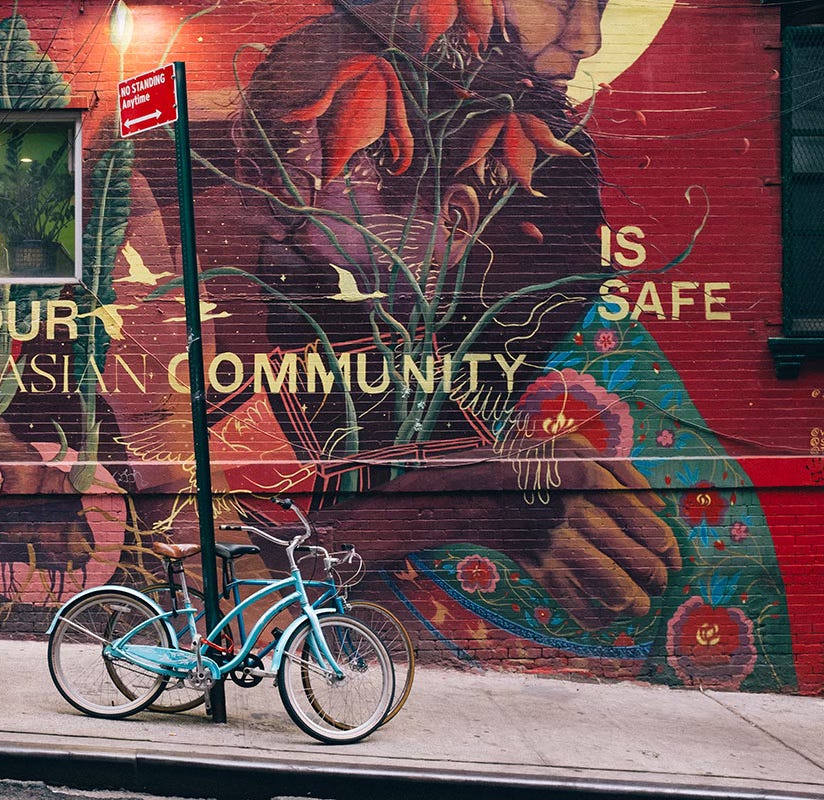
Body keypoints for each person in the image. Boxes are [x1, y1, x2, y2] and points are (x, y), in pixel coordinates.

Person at [218, 0, 794, 688]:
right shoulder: (335, 360)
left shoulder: (579, 372)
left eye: (313, 186)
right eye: (263, 176)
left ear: (455, 218)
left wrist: (450, 503)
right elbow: (234, 561)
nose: (268, 218)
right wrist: (453, 502)